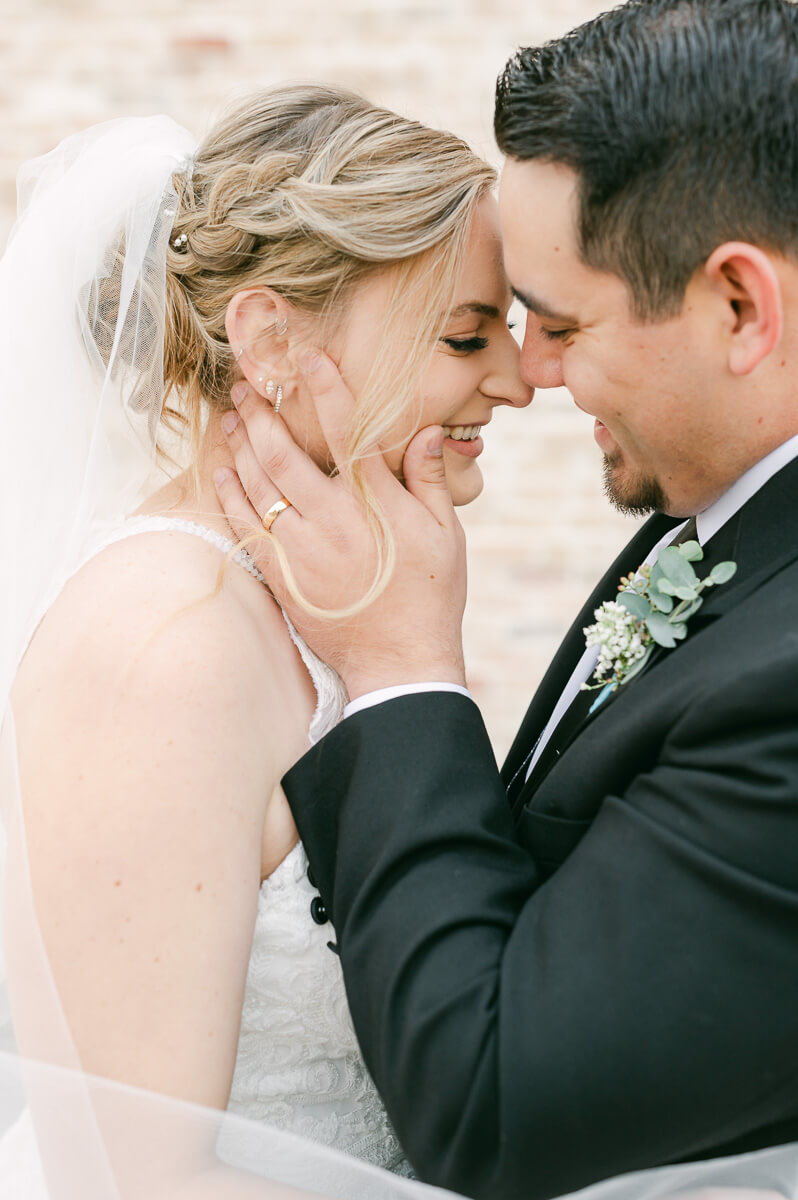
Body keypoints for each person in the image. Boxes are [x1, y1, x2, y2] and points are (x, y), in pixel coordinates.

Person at [212, 2, 798, 1199]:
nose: (528, 372)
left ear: (740, 308)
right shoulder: (726, 525)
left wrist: (401, 671)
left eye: (561, 322)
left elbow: (495, 1110)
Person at [0, 83, 529, 1197]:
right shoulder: (164, 645)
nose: (518, 381)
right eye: (468, 334)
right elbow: (138, 1181)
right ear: (270, 337)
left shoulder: (328, 599)